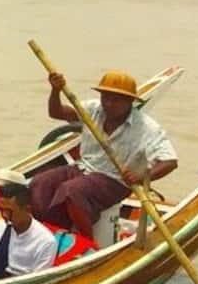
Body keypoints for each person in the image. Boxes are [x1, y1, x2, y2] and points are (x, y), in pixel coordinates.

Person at [33, 70, 178, 240]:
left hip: (115, 180)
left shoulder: (147, 128)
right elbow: (56, 113)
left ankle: (87, 242)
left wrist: (141, 177)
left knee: (71, 192)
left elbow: (170, 161)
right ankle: (48, 233)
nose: (108, 104)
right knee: (40, 183)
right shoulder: (94, 109)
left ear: (130, 101)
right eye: (105, 98)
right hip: (83, 168)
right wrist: (55, 90)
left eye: (116, 100)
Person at [0, 183, 59, 282]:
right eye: (2, 210)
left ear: (27, 209)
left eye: (9, 211)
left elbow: (38, 280)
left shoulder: (46, 241)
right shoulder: (1, 226)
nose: (4, 215)